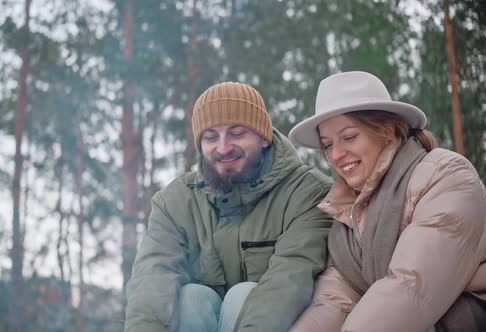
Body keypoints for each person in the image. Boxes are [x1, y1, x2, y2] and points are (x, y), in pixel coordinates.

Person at [124, 82, 334, 332]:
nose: (223, 148)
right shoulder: (174, 201)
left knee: (243, 296)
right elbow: (152, 279)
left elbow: (288, 282)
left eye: (237, 133)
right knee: (191, 299)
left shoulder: (307, 192)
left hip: (276, 325)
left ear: (263, 137)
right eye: (211, 137)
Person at [288, 71, 486, 331]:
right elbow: (333, 302)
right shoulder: (345, 217)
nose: (336, 154)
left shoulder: (446, 176)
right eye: (327, 145)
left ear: (387, 130)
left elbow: (410, 288)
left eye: (348, 137)